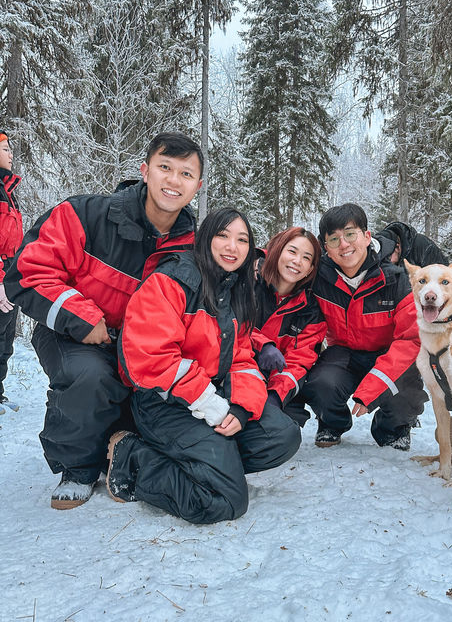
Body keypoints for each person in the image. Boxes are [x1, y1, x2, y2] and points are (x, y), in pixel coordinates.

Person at [4, 131, 202, 509]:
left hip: (138, 346)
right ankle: (77, 466)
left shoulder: (192, 247)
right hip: (68, 332)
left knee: (157, 392)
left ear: (197, 185)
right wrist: (85, 320)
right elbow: (27, 273)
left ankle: (120, 446)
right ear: (145, 171)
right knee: (93, 377)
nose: (174, 181)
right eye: (165, 168)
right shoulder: (85, 214)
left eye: (186, 174)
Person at [107, 208, 301, 525]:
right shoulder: (171, 282)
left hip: (214, 395)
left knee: (282, 437)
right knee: (225, 502)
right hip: (163, 402)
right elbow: (152, 358)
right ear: (205, 238)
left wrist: (240, 408)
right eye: (222, 235)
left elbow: (242, 358)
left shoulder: (236, 290)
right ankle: (133, 458)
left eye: (242, 239)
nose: (232, 247)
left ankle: (210, 461)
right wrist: (210, 405)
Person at [300, 203, 427, 450]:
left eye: (350, 234)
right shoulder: (319, 280)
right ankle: (331, 422)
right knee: (320, 383)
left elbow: (410, 340)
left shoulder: (397, 280)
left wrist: (372, 388)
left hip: (388, 353)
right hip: (343, 353)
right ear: (326, 248)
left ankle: (392, 428)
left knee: (407, 388)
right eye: (334, 239)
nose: (344, 245)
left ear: (367, 236)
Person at [253, 227, 326, 426]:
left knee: (284, 432)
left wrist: (275, 397)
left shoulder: (311, 309)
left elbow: (299, 360)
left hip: (276, 382)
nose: (296, 261)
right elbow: (231, 324)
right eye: (292, 251)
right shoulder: (249, 280)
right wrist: (262, 345)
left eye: (306, 258)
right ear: (278, 250)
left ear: (310, 269)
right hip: (235, 372)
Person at [0, 128, 23, 415]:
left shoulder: (8, 192)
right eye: (6, 149)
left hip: (10, 278)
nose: (11, 154)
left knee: (5, 341)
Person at [375, 220, 447, 268]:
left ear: (397, 247)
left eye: (388, 258)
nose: (387, 262)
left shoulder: (423, 247)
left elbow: (443, 276)